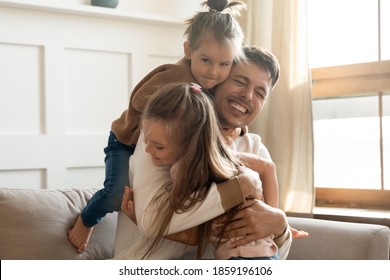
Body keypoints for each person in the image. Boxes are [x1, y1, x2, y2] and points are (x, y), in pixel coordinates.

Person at [67, 0, 247, 253]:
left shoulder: (212, 84)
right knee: (116, 193)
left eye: (224, 64)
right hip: (125, 141)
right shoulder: (174, 75)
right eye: (206, 60)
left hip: (162, 145)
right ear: (188, 50)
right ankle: (86, 220)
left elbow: (212, 117)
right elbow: (139, 100)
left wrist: (236, 131)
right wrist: (172, 103)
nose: (214, 71)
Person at [115, 45, 298, 260]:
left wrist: (279, 226)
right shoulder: (166, 133)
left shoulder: (256, 150)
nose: (248, 95)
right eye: (240, 82)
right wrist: (235, 190)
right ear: (218, 81)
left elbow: (272, 255)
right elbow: (151, 220)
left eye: (260, 93)